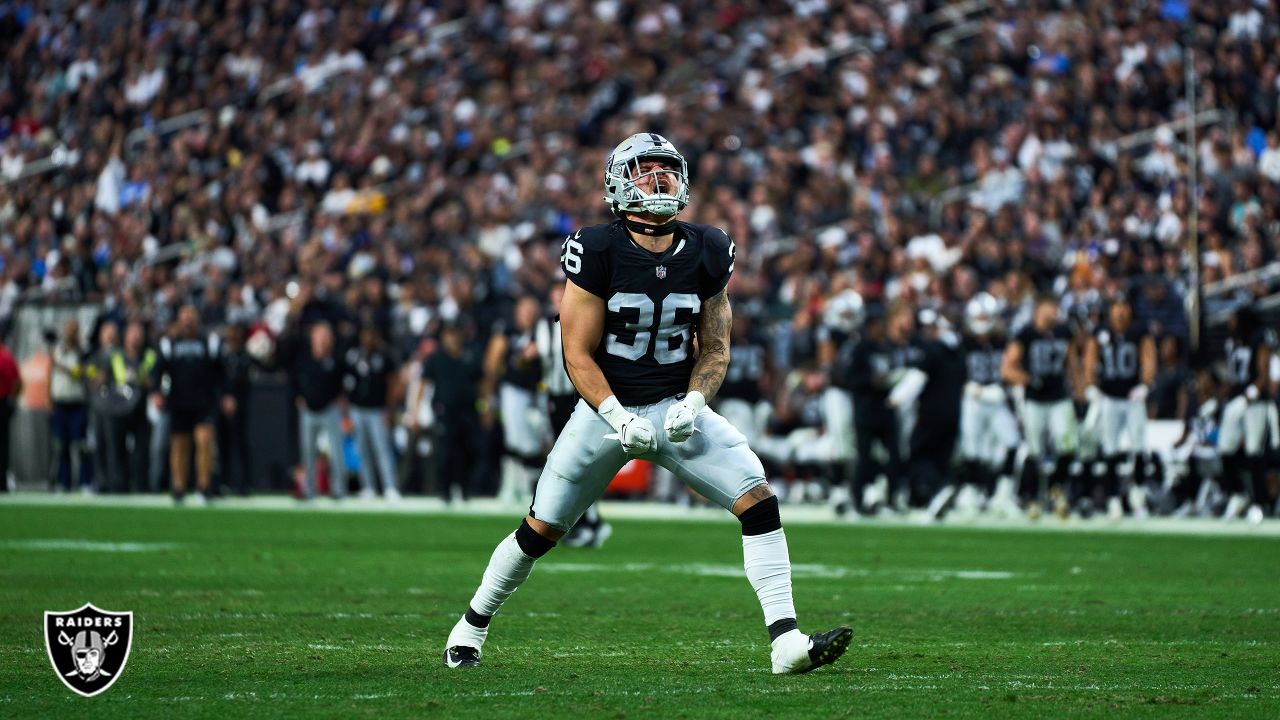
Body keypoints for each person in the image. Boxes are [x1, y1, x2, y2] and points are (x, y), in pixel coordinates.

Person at [441, 133, 851, 674]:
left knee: (758, 498)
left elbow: (717, 345)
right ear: (617, 181)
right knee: (540, 529)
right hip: (604, 413)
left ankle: (785, 642)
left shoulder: (708, 248)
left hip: (674, 406)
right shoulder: (597, 249)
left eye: (667, 170)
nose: (660, 181)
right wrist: (615, 416)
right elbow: (576, 353)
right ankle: (469, 627)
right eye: (646, 171)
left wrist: (696, 400)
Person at [537, 280, 610, 548]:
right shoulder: (544, 324)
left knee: (575, 462)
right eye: (555, 295)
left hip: (577, 396)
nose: (558, 300)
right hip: (554, 397)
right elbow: (541, 359)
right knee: (566, 461)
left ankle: (588, 522)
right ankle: (588, 522)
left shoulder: (585, 317)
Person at [1002, 295, 1080, 519]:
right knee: (1034, 450)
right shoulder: (1026, 334)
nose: (1055, 312)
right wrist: (1028, 379)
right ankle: (1030, 497)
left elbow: (1072, 364)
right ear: (1039, 308)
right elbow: (1007, 369)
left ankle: (1056, 488)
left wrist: (1081, 390)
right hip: (1035, 399)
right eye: (1051, 307)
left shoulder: (1064, 332)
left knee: (1067, 445)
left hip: (1059, 397)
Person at [1082, 294, 1157, 520]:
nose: (1121, 311)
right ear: (1110, 310)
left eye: (1124, 306)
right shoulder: (1101, 332)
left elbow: (1148, 358)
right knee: (1110, 451)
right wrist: (1090, 386)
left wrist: (1145, 383)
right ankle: (1113, 499)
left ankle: (1139, 499)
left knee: (1139, 448)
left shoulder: (1139, 332)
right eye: (1117, 307)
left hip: (1132, 398)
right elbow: (1089, 359)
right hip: (1109, 398)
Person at [153, 305, 227, 505]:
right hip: (178, 401)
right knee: (179, 445)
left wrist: (225, 395)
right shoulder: (169, 343)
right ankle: (179, 486)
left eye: (191, 318)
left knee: (204, 442)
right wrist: (157, 392)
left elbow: (222, 372)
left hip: (205, 401)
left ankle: (204, 486)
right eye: (184, 318)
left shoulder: (209, 342)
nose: (187, 322)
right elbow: (158, 370)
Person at [957, 293, 1020, 516]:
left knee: (1012, 442)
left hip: (997, 398)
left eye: (986, 318)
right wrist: (971, 388)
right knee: (971, 448)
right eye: (980, 318)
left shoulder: (1003, 342)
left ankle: (1003, 493)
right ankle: (972, 491)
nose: (983, 323)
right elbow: (954, 374)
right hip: (973, 399)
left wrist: (1005, 390)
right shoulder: (964, 343)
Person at [411, 318, 487, 504]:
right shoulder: (436, 358)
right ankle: (444, 491)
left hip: (468, 410)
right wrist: (415, 411)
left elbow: (481, 384)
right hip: (444, 410)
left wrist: (486, 407)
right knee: (445, 452)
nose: (452, 337)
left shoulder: (471, 355)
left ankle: (464, 489)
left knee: (467, 451)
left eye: (455, 333)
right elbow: (422, 384)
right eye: (449, 333)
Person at [483, 295, 544, 506]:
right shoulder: (508, 331)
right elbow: (492, 365)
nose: (528, 315)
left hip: (538, 392)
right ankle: (512, 487)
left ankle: (523, 487)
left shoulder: (541, 332)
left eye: (532, 310)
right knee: (515, 441)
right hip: (513, 390)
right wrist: (488, 400)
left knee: (532, 442)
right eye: (525, 310)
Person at [1217, 308, 1277, 522]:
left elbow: (1263, 373)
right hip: (1236, 400)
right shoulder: (1233, 341)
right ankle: (1238, 494)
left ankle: (1260, 503)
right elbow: (1232, 377)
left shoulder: (1258, 338)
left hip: (1255, 403)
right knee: (1225, 448)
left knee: (1254, 452)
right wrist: (1216, 400)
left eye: (1234, 318)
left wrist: (1249, 395)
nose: (1230, 321)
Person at [344, 323, 401, 501]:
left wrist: (389, 410)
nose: (368, 339)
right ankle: (368, 486)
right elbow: (346, 384)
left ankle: (390, 486)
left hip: (378, 410)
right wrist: (346, 412)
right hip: (357, 409)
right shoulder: (354, 356)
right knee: (362, 450)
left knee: (382, 450)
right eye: (365, 334)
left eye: (371, 334)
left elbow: (392, 384)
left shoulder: (385, 355)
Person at [292, 321, 348, 500]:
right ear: (313, 338)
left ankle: (339, 488)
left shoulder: (336, 360)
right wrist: (298, 397)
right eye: (319, 335)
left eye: (326, 336)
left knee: (335, 449)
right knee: (308, 451)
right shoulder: (304, 359)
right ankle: (309, 489)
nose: (323, 340)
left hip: (330, 409)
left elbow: (342, 383)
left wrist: (341, 400)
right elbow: (295, 381)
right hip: (309, 410)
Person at [103, 320, 156, 493]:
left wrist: (149, 383)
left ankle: (141, 486)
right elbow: (103, 380)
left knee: (142, 451)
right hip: (117, 408)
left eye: (139, 334)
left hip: (140, 410)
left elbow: (156, 379)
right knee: (116, 451)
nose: (136, 337)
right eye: (132, 333)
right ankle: (118, 487)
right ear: (125, 337)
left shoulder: (149, 357)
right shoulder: (115, 357)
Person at [48, 318, 94, 492]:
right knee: (61, 445)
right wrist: (49, 398)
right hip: (60, 401)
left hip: (77, 402)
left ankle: (85, 481)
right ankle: (64, 482)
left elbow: (85, 373)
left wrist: (62, 367)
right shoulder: (57, 350)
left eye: (74, 329)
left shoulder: (83, 351)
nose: (70, 333)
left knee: (81, 444)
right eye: (68, 329)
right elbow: (50, 375)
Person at [218, 324, 254, 496]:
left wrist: (234, 399)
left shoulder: (244, 357)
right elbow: (216, 379)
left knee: (240, 445)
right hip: (221, 407)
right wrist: (223, 398)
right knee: (222, 445)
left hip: (239, 406)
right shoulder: (221, 356)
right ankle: (222, 482)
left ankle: (244, 484)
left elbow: (245, 381)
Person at [0, 338, 21, 492]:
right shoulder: (6, 356)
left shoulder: (4, 356)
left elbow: (17, 382)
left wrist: (12, 399)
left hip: (2, 403)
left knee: (2, 445)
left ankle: (2, 481)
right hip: (4, 403)